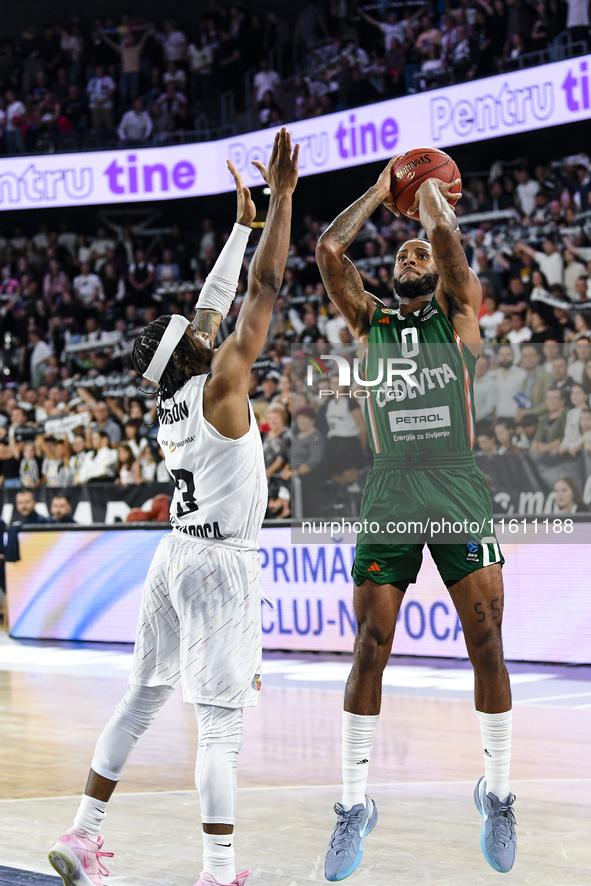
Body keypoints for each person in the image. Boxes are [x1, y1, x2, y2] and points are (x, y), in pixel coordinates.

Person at [48, 128, 299, 886]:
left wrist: (240, 226)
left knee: (142, 697)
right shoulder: (222, 384)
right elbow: (260, 292)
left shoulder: (174, 397)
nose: (198, 323)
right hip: (219, 562)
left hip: (172, 554)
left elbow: (214, 301)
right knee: (220, 723)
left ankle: (84, 833)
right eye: (192, 331)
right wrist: (283, 201)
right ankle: (218, 871)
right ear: (195, 351)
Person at [316, 158, 515, 879]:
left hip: (456, 481)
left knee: (486, 638)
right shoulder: (370, 318)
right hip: (390, 489)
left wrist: (427, 186)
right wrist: (380, 189)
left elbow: (444, 236)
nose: (411, 252)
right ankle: (351, 808)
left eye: (421, 251)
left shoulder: (457, 308)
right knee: (370, 643)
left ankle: (495, 793)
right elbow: (330, 253)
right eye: (403, 249)